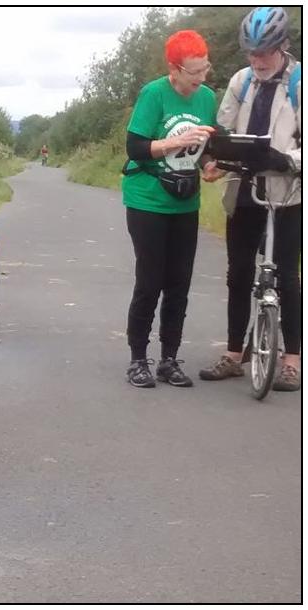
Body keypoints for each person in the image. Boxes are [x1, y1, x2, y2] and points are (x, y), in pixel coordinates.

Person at [198, 7, 302, 391]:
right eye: (251, 53)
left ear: (283, 46)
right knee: (238, 272)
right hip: (244, 188)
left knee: (288, 276)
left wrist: (284, 159)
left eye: (265, 53)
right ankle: (232, 353)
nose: (257, 61)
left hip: (287, 191)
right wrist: (213, 158)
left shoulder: (300, 83)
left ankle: (292, 360)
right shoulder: (241, 82)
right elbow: (222, 128)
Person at [121, 30, 219, 388]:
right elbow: (135, 147)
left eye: (204, 69)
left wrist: (210, 165)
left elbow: (209, 146)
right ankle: (137, 359)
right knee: (150, 281)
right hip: (147, 198)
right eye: (193, 72)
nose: (200, 79)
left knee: (179, 283)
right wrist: (175, 141)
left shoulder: (207, 97)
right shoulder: (154, 94)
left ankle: (169, 359)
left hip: (185, 199)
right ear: (174, 69)